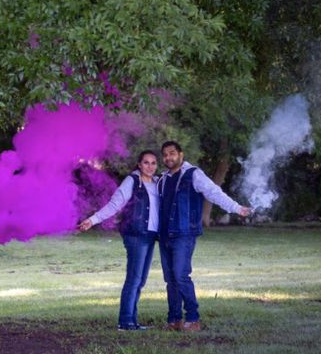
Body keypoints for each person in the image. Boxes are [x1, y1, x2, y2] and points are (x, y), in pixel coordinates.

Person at [157, 141, 251, 332]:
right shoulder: (163, 178)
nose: (168, 158)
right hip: (165, 235)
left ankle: (193, 318)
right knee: (170, 279)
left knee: (181, 276)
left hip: (184, 234)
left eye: (172, 153)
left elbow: (214, 193)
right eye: (165, 155)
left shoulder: (194, 174)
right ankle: (174, 320)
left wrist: (236, 208)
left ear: (181, 154)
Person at [78, 150, 160, 331]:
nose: (150, 166)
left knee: (141, 280)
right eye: (146, 162)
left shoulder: (157, 183)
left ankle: (132, 321)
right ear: (139, 164)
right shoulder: (132, 181)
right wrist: (93, 220)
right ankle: (125, 322)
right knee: (134, 278)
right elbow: (115, 204)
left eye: (153, 163)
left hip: (150, 235)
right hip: (136, 234)